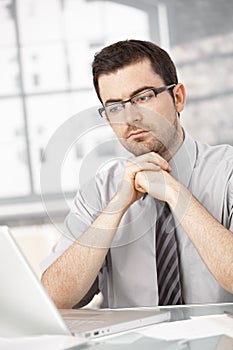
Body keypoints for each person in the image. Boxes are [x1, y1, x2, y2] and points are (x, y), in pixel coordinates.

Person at [41, 39, 233, 309]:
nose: (130, 118)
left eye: (143, 97)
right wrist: (116, 207)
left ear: (178, 98)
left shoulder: (227, 172)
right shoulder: (101, 191)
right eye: (115, 107)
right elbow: (52, 300)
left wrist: (174, 192)